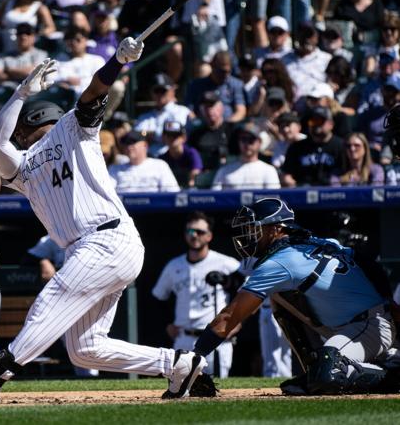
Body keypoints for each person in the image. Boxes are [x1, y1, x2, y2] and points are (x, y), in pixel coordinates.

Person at [0, 37, 206, 405]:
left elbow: (96, 89)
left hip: (107, 239)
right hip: (94, 249)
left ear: (30, 123)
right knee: (85, 349)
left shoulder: (73, 128)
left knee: (52, 299)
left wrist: (116, 60)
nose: (15, 136)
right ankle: (176, 363)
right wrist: (19, 94)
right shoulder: (24, 167)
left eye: (20, 130)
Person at [190, 198, 395, 395]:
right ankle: (318, 370)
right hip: (355, 324)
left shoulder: (279, 262)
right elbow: (371, 266)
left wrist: (193, 359)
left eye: (255, 229)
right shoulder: (318, 242)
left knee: (328, 374)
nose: (249, 236)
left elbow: (229, 317)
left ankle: (393, 374)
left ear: (276, 229)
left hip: (367, 325)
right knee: (280, 295)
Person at [152, 212, 239, 377]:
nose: (194, 236)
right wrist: (167, 324)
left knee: (218, 390)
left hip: (216, 337)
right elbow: (158, 297)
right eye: (190, 231)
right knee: (178, 385)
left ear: (209, 236)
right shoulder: (174, 265)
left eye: (200, 232)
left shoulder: (226, 263)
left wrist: (238, 322)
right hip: (184, 337)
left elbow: (248, 293)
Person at [25, 234, 99, 377]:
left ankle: (90, 378)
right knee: (76, 344)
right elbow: (28, 259)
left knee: (87, 341)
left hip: (87, 289)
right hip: (64, 294)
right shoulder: (52, 237)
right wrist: (43, 260)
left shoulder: (94, 234)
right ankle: (88, 378)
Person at [281, 106, 347, 187]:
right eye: (312, 121)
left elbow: (349, 173)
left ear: (331, 124)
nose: (316, 124)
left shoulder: (342, 146)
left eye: (320, 121)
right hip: (303, 193)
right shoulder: (296, 147)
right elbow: (286, 175)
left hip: (333, 194)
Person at [134, 73, 191, 157]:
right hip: (149, 159)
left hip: (175, 157)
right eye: (157, 91)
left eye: (163, 90)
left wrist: (150, 134)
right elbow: (136, 136)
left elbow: (176, 135)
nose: (160, 95)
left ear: (172, 90)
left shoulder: (182, 111)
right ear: (151, 93)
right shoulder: (144, 117)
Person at [210, 123, 280, 190]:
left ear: (259, 142)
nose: (247, 144)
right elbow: (214, 198)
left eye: (251, 140)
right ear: (239, 141)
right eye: (244, 139)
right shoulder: (224, 171)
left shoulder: (268, 170)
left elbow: (274, 199)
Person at [108, 130, 179, 193]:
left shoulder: (160, 165)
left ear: (145, 145)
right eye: (126, 143)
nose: (129, 146)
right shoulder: (115, 169)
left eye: (133, 142)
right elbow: (107, 194)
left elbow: (172, 193)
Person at [160, 120, 202, 189]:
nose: (172, 138)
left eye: (176, 135)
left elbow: (194, 177)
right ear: (163, 138)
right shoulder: (162, 159)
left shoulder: (191, 153)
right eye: (169, 135)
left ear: (184, 138)